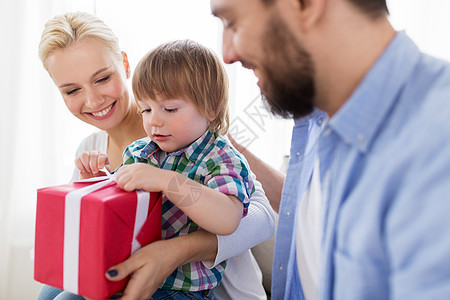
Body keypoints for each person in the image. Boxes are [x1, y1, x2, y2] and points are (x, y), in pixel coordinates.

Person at [210, 0, 450, 299]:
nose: (227, 54)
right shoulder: (320, 119)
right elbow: (307, 208)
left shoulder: (436, 142)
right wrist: (227, 145)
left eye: (233, 23)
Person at [37, 11, 275, 300]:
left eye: (101, 79)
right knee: (50, 292)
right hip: (131, 273)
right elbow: (100, 231)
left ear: (124, 64)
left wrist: (173, 251)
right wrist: (92, 186)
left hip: (196, 288)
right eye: (72, 90)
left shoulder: (194, 132)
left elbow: (259, 217)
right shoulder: (98, 147)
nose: (93, 100)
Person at [76, 39, 255, 299]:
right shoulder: (140, 152)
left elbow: (227, 219)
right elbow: (117, 211)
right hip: (129, 273)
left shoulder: (221, 158)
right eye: (146, 109)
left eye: (170, 108)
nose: (154, 121)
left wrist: (168, 181)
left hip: (180, 290)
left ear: (213, 108)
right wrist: (94, 182)